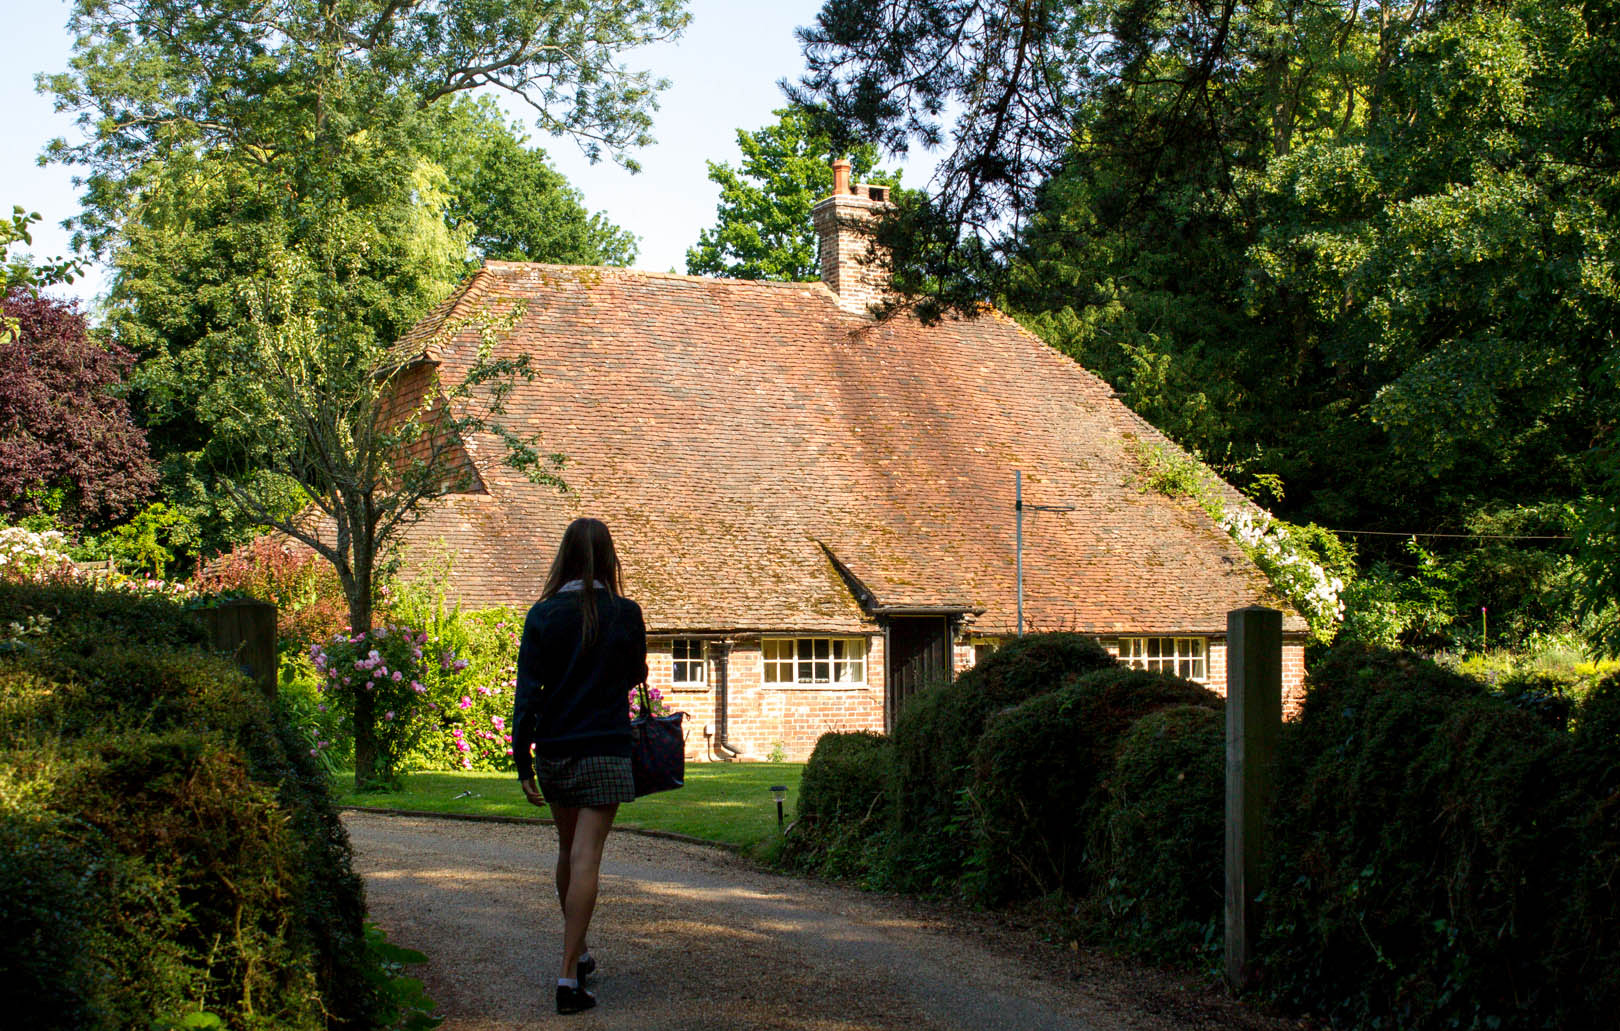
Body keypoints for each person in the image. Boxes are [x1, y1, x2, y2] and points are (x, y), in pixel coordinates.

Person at [512, 517, 647, 1016]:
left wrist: (520, 757)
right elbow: (636, 674)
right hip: (606, 749)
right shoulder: (626, 613)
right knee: (588, 857)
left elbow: (528, 691)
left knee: (568, 851)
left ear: (562, 557)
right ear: (609, 558)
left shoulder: (543, 615)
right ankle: (568, 974)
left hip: (555, 749)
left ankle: (581, 951)